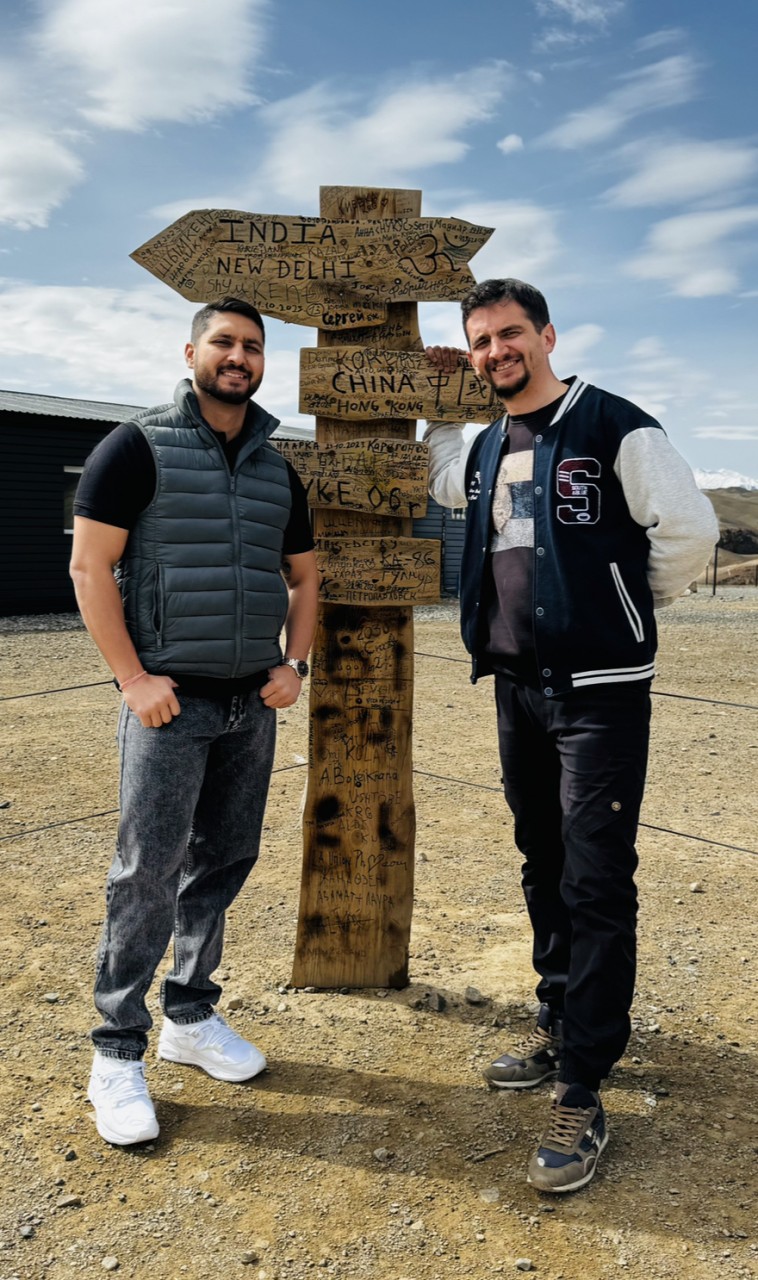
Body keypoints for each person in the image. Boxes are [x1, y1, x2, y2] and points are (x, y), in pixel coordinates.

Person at [424, 278, 718, 1193]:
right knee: (542, 859)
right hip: (518, 690)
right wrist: (440, 413)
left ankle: (584, 1085)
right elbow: (448, 485)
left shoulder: (614, 426)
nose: (496, 351)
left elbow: (690, 531)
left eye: (511, 333)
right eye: (481, 341)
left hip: (600, 695)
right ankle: (559, 1020)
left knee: (595, 877)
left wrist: (619, 607)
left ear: (547, 335)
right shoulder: (486, 445)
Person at [70, 296, 318, 1146]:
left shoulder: (277, 468)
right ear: (192, 353)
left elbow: (305, 576)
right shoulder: (135, 446)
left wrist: (294, 664)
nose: (238, 356)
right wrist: (132, 677)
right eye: (223, 342)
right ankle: (116, 1052)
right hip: (169, 704)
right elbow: (89, 567)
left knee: (222, 862)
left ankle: (189, 1016)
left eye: (252, 345)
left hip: (252, 705)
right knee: (147, 871)